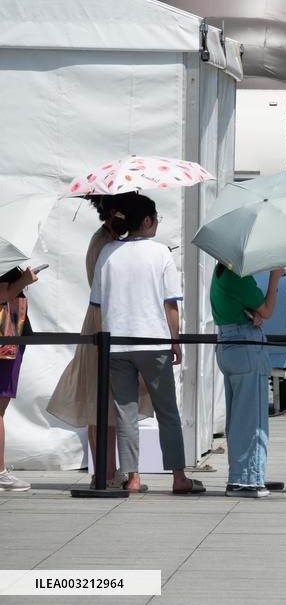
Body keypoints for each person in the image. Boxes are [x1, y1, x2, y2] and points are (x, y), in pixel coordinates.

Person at [89, 194, 202, 494]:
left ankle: (133, 476)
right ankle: (178, 476)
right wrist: (174, 341)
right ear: (148, 220)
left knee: (125, 414)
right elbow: (170, 305)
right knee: (167, 411)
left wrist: (103, 342)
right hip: (153, 342)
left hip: (116, 343)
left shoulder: (107, 253)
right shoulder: (161, 253)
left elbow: (97, 306)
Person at [48, 195, 154, 489]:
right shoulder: (105, 244)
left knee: (106, 402)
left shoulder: (105, 240)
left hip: (103, 325)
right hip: (103, 326)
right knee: (101, 402)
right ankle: (106, 472)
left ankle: (108, 472)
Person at [211, 264, 284, 498]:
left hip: (227, 342)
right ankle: (248, 479)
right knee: (252, 417)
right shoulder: (237, 277)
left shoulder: (220, 272)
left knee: (239, 415)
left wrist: (251, 313)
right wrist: (275, 278)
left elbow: (249, 310)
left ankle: (244, 474)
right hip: (245, 346)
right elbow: (268, 309)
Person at [0, 265, 38, 492]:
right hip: (6, 337)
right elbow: (4, 293)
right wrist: (24, 280)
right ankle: (0, 472)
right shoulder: (4, 257)